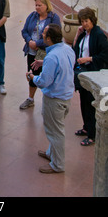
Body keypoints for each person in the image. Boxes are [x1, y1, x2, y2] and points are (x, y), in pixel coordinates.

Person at [27, 24, 76, 173]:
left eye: (43, 34)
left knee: (55, 132)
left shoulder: (52, 57)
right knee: (55, 128)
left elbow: (44, 82)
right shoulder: (67, 49)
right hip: (65, 96)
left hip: (55, 100)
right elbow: (64, 65)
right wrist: (44, 63)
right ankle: (51, 153)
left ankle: (58, 165)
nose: (41, 36)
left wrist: (32, 77)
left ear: (49, 39)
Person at [73, 7, 108, 146]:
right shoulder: (84, 34)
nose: (84, 24)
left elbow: (105, 55)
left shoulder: (99, 34)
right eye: (82, 21)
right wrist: (77, 35)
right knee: (84, 102)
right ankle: (86, 128)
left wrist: (89, 59)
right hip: (83, 73)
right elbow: (76, 50)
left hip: (92, 72)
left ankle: (92, 135)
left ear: (92, 20)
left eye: (86, 21)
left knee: (91, 103)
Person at [20, 0, 61, 110]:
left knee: (48, 76)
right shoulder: (32, 16)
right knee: (32, 74)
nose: (37, 7)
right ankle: (30, 99)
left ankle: (48, 100)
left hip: (46, 53)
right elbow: (24, 31)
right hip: (32, 52)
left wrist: (37, 43)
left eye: (40, 5)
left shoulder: (53, 18)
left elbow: (55, 36)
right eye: (36, 5)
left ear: (46, 5)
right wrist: (29, 41)